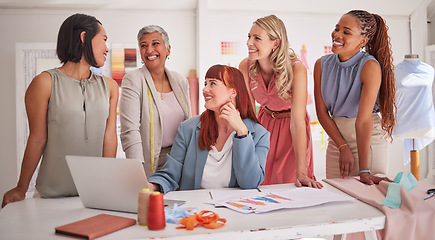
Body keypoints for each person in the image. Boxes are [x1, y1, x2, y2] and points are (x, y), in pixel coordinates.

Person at [2, 13, 118, 207]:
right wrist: (21, 188)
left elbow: (110, 137)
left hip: (93, 196)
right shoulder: (44, 82)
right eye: (104, 40)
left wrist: (107, 186)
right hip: (50, 197)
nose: (107, 48)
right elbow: (37, 138)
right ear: (84, 37)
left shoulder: (110, 87)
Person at [147, 65, 270, 194]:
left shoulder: (260, 135)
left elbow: (250, 183)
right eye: (205, 83)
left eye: (213, 83)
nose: (205, 89)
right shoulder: (188, 129)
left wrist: (242, 133)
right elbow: (170, 174)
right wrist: (150, 186)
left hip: (234, 210)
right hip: (195, 209)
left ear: (233, 92)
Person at [239, 14, 321, 188]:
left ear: (275, 43)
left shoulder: (296, 69)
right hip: (263, 124)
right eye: (249, 37)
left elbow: (298, 122)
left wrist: (301, 172)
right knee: (260, 182)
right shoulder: (244, 67)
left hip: (292, 129)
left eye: (256, 38)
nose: (249, 42)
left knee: (291, 183)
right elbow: (248, 113)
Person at [313, 10, 395, 185]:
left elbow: (363, 121)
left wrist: (365, 170)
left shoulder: (370, 66)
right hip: (336, 142)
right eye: (337, 29)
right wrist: (342, 147)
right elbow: (321, 113)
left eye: (346, 32)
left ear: (363, 41)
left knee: (369, 201)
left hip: (367, 143)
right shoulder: (321, 65)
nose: (337, 35)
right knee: (336, 200)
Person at [120, 25, 191, 178]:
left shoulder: (180, 81)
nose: (149, 50)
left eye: (155, 43)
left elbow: (188, 124)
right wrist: (136, 171)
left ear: (168, 49)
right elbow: (129, 131)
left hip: (181, 160)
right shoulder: (133, 80)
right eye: (143, 46)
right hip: (150, 163)